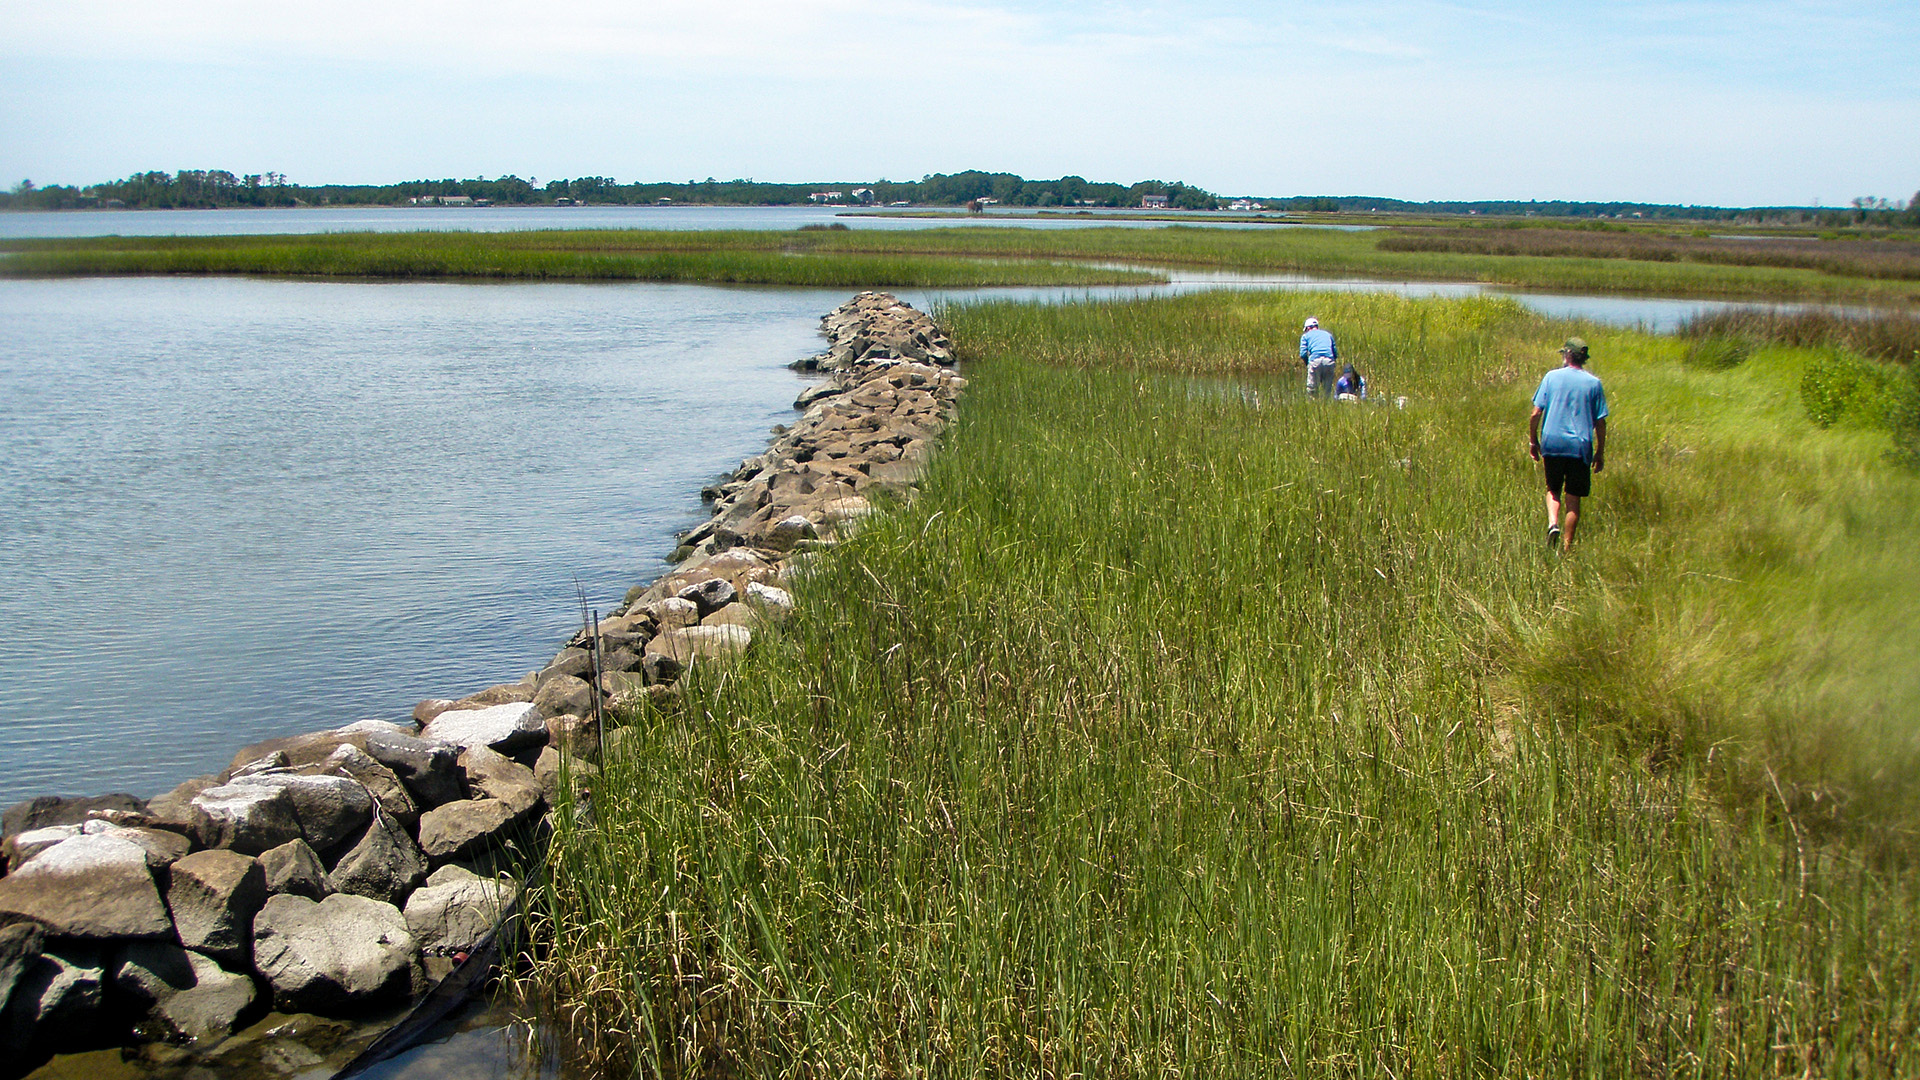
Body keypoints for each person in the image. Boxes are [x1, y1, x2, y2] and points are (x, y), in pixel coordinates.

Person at [1528, 337, 1608, 552]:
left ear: (1567, 355)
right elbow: (1600, 422)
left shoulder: (1551, 377)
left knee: (1553, 489)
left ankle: (1552, 523)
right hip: (1580, 447)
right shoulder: (1594, 383)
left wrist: (1533, 441)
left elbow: (1536, 413)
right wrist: (1599, 452)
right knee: (1573, 498)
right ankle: (1566, 548)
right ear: (1583, 359)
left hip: (1552, 443)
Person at [1299, 317, 1338, 398]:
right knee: (1327, 391)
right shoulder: (1328, 334)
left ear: (1308, 328)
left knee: (1312, 390)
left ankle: (1312, 407)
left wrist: (1308, 363)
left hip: (1315, 361)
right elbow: (1335, 353)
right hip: (1329, 361)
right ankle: (1326, 407)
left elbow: (1303, 354)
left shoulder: (1305, 336)